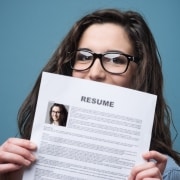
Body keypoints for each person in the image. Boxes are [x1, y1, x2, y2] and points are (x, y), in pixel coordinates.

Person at [0, 8, 180, 180]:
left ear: (139, 73)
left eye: (115, 59)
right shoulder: (24, 163)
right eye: (84, 57)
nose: (95, 73)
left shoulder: (166, 173)